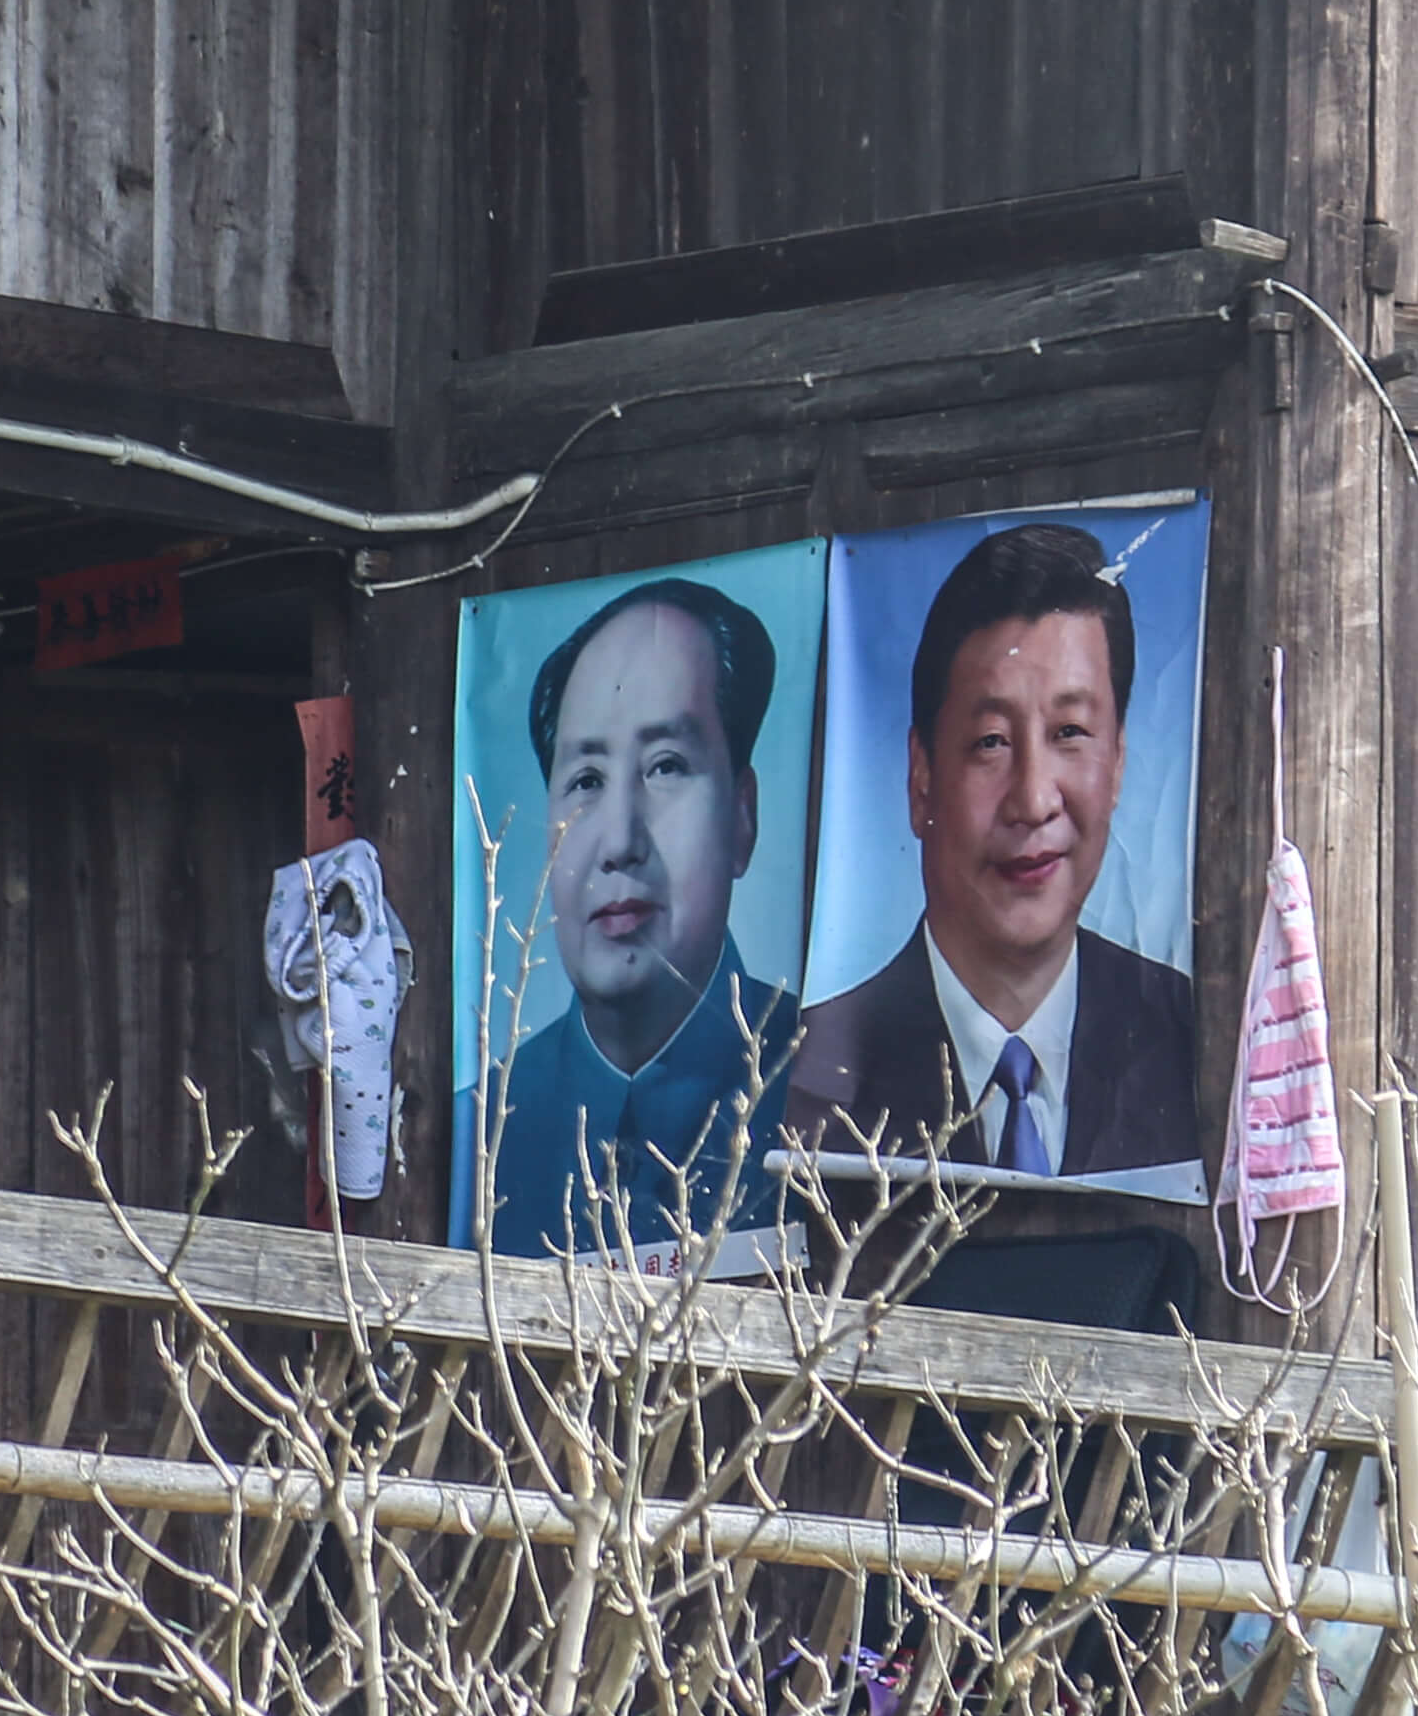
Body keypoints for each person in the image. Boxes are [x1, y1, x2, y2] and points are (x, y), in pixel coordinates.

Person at [790, 521, 1200, 1179]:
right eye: (991, 742)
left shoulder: (1194, 1041)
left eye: (1070, 731)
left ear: (1118, 762)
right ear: (921, 777)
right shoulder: (812, 1073)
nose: (1033, 800)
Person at [477, 579, 804, 1256]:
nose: (621, 840)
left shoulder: (826, 1084)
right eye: (587, 782)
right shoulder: (479, 1128)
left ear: (742, 816)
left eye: (665, 767)